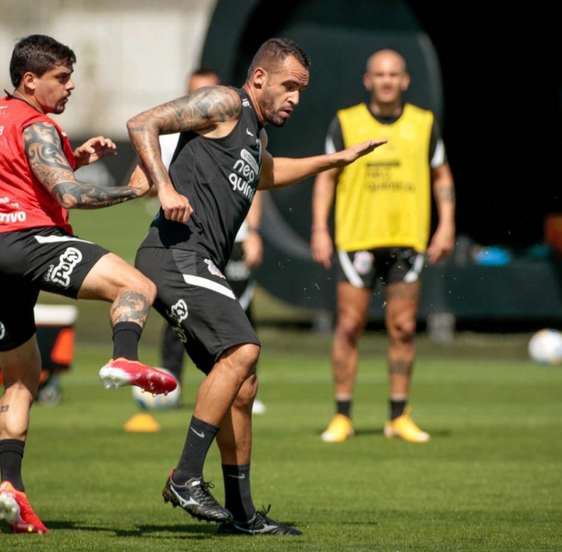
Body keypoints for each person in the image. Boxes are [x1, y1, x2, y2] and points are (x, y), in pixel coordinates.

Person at [126, 38, 384, 535]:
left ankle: (241, 516)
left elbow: (265, 174)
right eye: (289, 86)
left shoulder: (253, 136)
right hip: (175, 254)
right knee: (244, 348)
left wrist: (333, 161)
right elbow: (143, 123)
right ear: (260, 78)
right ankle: (184, 476)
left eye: (302, 91)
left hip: (194, 260)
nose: (295, 98)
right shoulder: (224, 103)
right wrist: (164, 185)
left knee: (242, 385)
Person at [0, 35, 176, 534]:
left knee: (21, 379)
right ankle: (122, 355)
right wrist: (137, 188)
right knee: (136, 287)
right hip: (24, 241)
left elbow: (14, 172)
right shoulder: (38, 124)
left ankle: (11, 487)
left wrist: (74, 156)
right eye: (62, 78)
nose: (70, 87)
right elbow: (67, 196)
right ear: (30, 80)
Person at [311, 49, 456, 444]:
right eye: (380, 74)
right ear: (367, 80)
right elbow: (325, 177)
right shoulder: (346, 122)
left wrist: (446, 226)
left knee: (404, 328)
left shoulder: (424, 124)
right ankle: (342, 414)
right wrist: (319, 230)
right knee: (349, 326)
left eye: (394, 74)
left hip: (407, 238)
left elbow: (441, 175)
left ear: (406, 81)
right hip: (356, 238)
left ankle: (399, 414)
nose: (387, 80)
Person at [155, 69, 267, 415]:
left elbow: (255, 182)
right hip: (187, 238)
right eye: (196, 93)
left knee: (240, 311)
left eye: (210, 91)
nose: (205, 100)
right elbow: (146, 171)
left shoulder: (241, 127)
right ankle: (171, 382)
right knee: (182, 314)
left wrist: (255, 233)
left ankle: (244, 385)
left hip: (233, 237)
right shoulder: (172, 134)